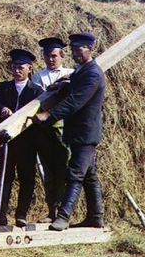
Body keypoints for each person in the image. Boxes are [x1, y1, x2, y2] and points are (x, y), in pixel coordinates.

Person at [34, 32, 106, 231]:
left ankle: (63, 217)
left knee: (75, 173)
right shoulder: (81, 71)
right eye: (73, 50)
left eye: (79, 49)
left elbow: (75, 101)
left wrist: (49, 115)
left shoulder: (92, 73)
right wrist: (65, 82)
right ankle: (96, 217)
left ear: (90, 49)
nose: (75, 53)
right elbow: (73, 87)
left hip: (86, 133)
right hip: (79, 132)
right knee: (89, 174)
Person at [0, 49, 43, 229]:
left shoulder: (36, 90)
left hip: (27, 141)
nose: (17, 70)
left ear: (29, 69)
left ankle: (21, 215)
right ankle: (0, 216)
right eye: (14, 67)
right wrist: (2, 108)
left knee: (27, 178)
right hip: (6, 140)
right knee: (4, 176)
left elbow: (39, 113)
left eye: (21, 68)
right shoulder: (4, 87)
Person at [30, 37, 74, 222]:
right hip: (44, 129)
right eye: (47, 56)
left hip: (64, 129)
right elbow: (39, 101)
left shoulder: (72, 73)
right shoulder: (38, 76)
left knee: (64, 169)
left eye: (54, 56)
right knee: (49, 171)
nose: (51, 59)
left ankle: (65, 213)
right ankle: (51, 212)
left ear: (62, 55)